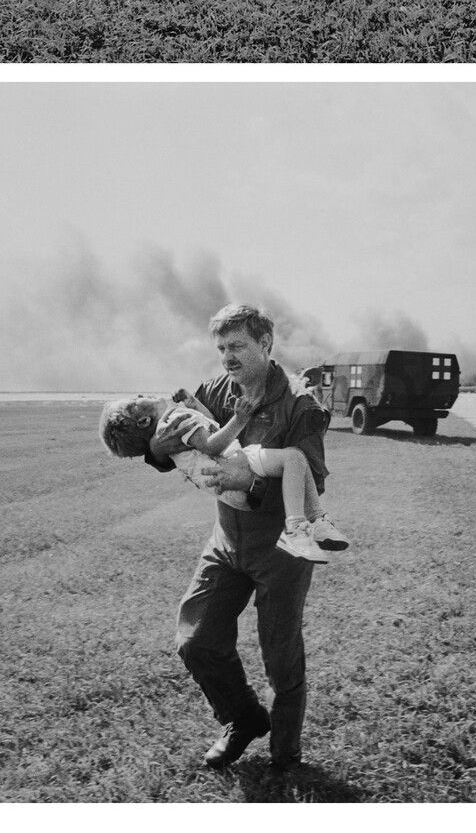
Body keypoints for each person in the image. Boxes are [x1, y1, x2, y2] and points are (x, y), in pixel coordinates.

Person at [152, 302, 331, 774]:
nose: (226, 357)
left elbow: (312, 479)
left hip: (280, 548)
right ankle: (243, 718)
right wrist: (158, 448)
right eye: (221, 347)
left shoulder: (300, 403)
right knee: (196, 638)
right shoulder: (214, 390)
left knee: (279, 653)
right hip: (226, 541)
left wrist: (248, 480)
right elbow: (188, 437)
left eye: (237, 346)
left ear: (266, 344)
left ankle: (286, 756)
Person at [99, 388, 348, 562]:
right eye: (135, 401)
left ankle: (316, 521)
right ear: (143, 421)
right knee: (294, 458)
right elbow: (210, 444)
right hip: (233, 463)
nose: (142, 395)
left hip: (233, 475)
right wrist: (240, 419)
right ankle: (297, 528)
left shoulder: (174, 420)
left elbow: (209, 425)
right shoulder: (174, 421)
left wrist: (195, 404)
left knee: (296, 459)